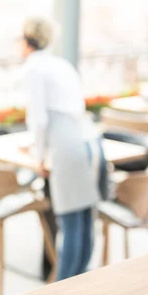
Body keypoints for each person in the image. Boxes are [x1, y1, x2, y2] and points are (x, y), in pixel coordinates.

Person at [18, 16, 100, 281]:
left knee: (71, 224)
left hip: (65, 148)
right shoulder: (61, 65)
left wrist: (40, 157)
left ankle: (61, 291)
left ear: (26, 41)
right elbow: (71, 109)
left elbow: (40, 119)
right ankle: (80, 284)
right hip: (88, 142)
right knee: (85, 221)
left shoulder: (33, 68)